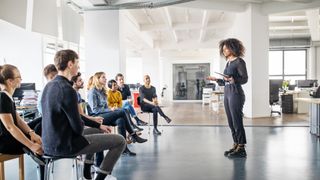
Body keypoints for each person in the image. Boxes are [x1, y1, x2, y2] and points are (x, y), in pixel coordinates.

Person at [41, 49, 126, 180]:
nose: (78, 67)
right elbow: (78, 129)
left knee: (99, 130)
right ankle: (100, 178)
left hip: (50, 143)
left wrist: (98, 125)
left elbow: (74, 116)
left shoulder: (49, 86)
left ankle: (87, 169)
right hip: (65, 145)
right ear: (70, 64)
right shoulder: (67, 89)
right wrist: (84, 124)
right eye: (77, 63)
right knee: (120, 141)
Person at [0, 64, 45, 179]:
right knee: (41, 126)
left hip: (10, 137)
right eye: (19, 76)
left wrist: (32, 133)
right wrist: (31, 145)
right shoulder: (2, 97)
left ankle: (40, 154)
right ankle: (39, 155)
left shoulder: (8, 96)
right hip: (5, 142)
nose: (21, 79)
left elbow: (19, 121)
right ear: (10, 81)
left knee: (42, 120)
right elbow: (10, 127)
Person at [87, 72, 147, 156]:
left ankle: (124, 149)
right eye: (103, 77)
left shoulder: (102, 91)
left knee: (121, 120)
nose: (106, 79)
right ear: (98, 79)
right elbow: (95, 110)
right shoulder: (92, 92)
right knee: (122, 111)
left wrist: (110, 109)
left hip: (105, 114)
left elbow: (106, 105)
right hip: (97, 117)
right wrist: (110, 110)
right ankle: (133, 135)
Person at [207, 38, 248, 158]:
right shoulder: (228, 62)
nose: (224, 51)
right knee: (231, 122)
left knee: (237, 121)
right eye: (223, 49)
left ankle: (241, 147)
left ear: (233, 48)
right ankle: (236, 144)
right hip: (228, 92)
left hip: (236, 94)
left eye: (226, 48)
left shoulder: (239, 62)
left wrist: (233, 79)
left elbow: (244, 79)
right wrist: (217, 80)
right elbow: (226, 82)